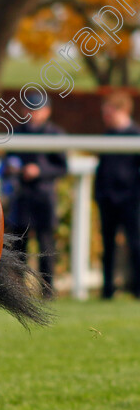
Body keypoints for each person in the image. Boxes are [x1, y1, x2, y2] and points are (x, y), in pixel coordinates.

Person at [1, 92, 67, 297]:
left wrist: (40, 171)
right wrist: (11, 170)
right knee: (19, 247)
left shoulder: (55, 134)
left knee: (46, 245)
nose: (32, 114)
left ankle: (48, 292)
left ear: (47, 111)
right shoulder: (16, 132)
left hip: (44, 197)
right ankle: (19, 292)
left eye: (36, 109)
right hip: (21, 196)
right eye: (28, 109)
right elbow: (6, 165)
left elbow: (62, 168)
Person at [94, 90, 140, 299]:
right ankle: (107, 290)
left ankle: (137, 288)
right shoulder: (107, 137)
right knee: (108, 247)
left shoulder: (135, 136)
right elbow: (102, 169)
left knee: (136, 244)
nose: (105, 118)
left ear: (122, 111)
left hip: (132, 201)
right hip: (108, 200)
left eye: (108, 113)